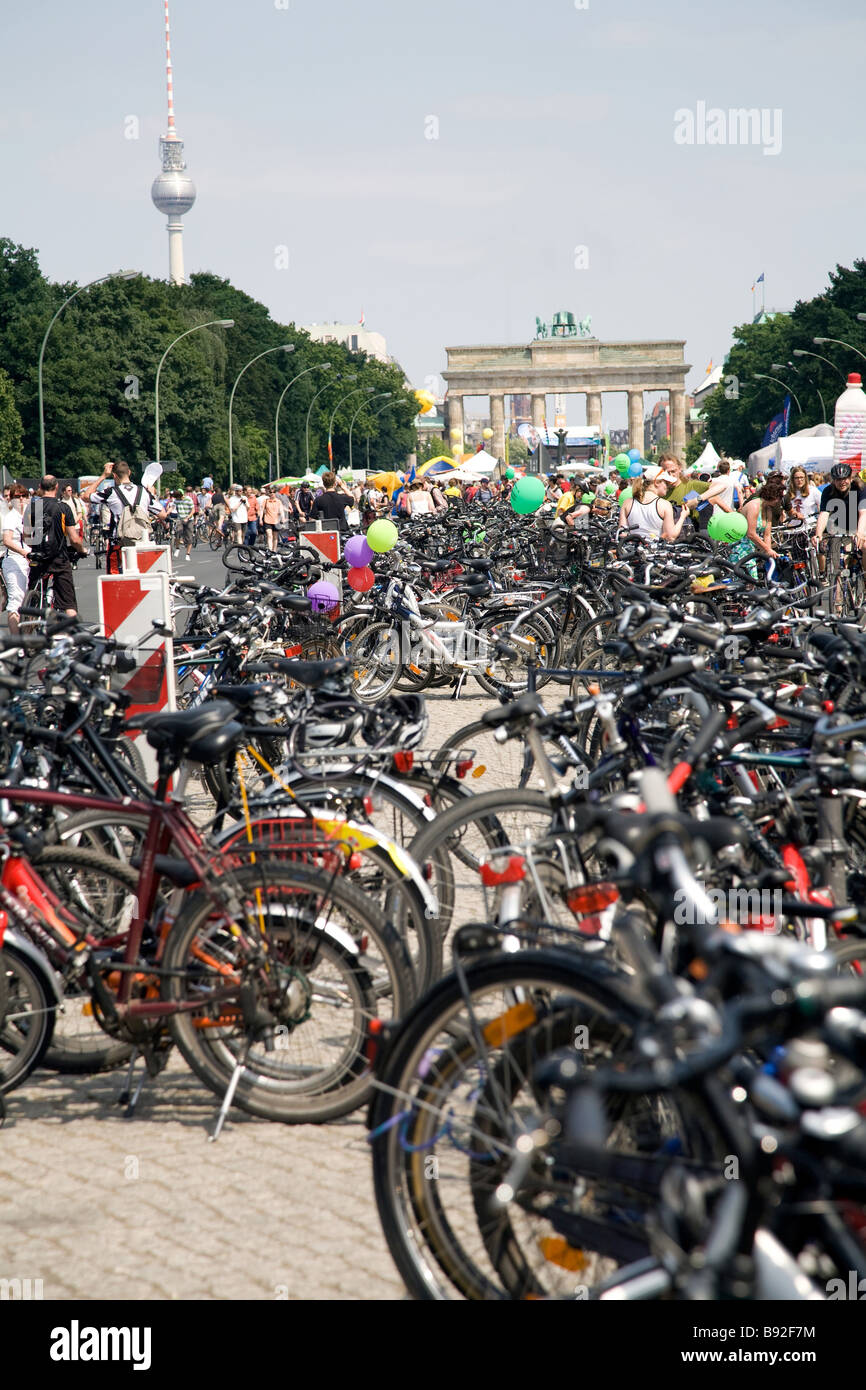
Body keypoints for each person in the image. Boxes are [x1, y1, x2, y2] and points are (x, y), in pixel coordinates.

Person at [80, 461, 166, 575]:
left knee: (115, 582)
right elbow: (163, 514)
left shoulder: (111, 492)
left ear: (114, 475)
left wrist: (104, 476)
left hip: (118, 544)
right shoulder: (143, 491)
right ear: (129, 472)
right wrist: (152, 494)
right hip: (141, 544)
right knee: (141, 578)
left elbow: (85, 496)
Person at [24, 474, 85, 615]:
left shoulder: (32, 507)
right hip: (58, 557)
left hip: (38, 556)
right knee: (68, 601)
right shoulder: (62, 507)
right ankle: (70, 631)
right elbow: (74, 539)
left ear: (40, 487)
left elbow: (26, 535)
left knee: (34, 592)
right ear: (57, 487)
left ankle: (29, 622)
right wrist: (82, 550)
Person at [728, 472, 785, 578]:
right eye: (779, 497)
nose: (779, 501)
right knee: (750, 581)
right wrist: (767, 550)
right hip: (740, 547)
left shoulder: (768, 509)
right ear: (773, 496)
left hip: (752, 548)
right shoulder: (754, 506)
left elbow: (767, 534)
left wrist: (768, 555)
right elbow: (751, 534)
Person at [618, 466, 686, 542]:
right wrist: (683, 516)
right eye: (666, 483)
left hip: (631, 551)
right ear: (656, 482)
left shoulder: (627, 502)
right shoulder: (664, 505)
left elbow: (622, 533)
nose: (668, 486)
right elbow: (670, 537)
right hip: (653, 551)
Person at [1, 484, 33, 634]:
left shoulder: (28, 514)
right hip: (14, 561)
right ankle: (16, 644)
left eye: (24, 496)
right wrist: (23, 552)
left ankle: (27, 637)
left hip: (29, 560)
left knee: (27, 601)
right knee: (15, 602)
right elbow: (7, 540)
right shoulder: (11, 516)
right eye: (17, 497)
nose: (21, 499)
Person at [174, 487, 196, 561]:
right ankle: (177, 548)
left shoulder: (188, 499)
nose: (178, 499)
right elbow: (174, 508)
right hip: (180, 518)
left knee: (189, 537)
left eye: (179, 497)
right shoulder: (176, 500)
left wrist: (187, 517)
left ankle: (187, 554)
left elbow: (193, 510)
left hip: (189, 519)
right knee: (177, 532)